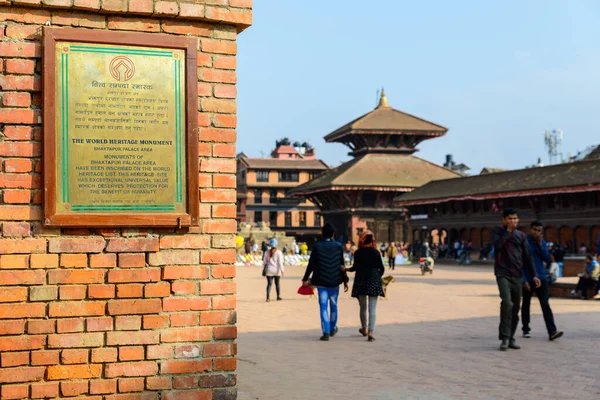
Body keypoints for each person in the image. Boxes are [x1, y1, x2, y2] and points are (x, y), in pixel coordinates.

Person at [492, 209, 540, 351]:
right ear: (504, 220)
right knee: (507, 303)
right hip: (502, 273)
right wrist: (508, 232)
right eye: (510, 219)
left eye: (515, 219)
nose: (513, 221)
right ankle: (504, 338)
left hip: (517, 275)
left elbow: (527, 256)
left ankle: (511, 337)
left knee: (515, 307)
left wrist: (534, 275)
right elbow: (498, 245)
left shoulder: (521, 236)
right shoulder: (498, 232)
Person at [302, 223, 348, 341]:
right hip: (335, 281)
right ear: (333, 234)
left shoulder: (317, 246)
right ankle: (333, 328)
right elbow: (341, 265)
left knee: (323, 307)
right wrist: (345, 279)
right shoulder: (338, 246)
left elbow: (311, 264)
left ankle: (326, 332)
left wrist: (305, 278)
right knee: (334, 305)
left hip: (321, 281)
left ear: (322, 233)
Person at [521, 221, 563, 341]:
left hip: (541, 277)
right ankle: (525, 328)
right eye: (535, 229)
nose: (537, 232)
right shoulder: (523, 242)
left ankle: (552, 331)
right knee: (526, 303)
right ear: (530, 229)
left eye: (539, 230)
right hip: (528, 278)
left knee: (545, 304)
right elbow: (520, 263)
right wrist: (524, 280)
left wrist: (540, 244)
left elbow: (546, 258)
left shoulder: (542, 242)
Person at [345, 230, 384, 342]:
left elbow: (355, 268)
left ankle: (364, 329)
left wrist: (346, 269)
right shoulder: (376, 252)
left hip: (361, 280)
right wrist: (377, 276)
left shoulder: (358, 253)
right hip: (373, 280)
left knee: (363, 307)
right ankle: (371, 331)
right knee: (372, 308)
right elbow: (381, 268)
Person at [263, 238, 284, 302]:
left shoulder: (266, 252)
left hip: (269, 270)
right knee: (277, 284)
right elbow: (280, 262)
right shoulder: (279, 252)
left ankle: (268, 298)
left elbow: (264, 262)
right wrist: (282, 270)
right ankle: (278, 296)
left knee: (269, 284)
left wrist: (265, 268)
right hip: (277, 270)